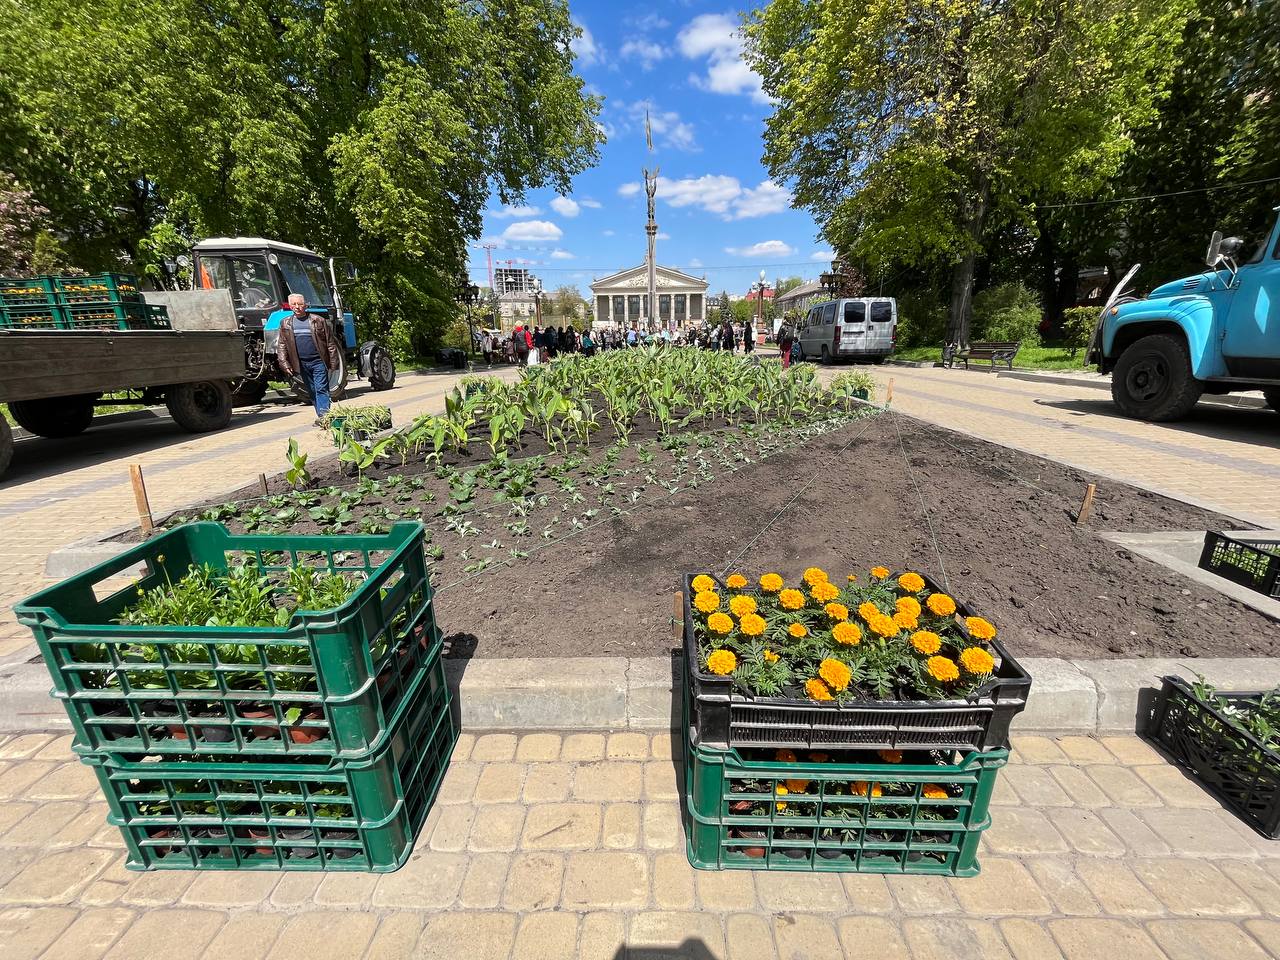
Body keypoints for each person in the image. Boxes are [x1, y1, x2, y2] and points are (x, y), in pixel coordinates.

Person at [276, 293, 339, 423]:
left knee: (321, 388)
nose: (297, 307)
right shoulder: (285, 323)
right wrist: (285, 364)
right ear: (290, 306)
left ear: (305, 305)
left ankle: (324, 417)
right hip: (301, 363)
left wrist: (334, 364)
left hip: (318, 362)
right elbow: (282, 345)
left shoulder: (318, 321)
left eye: (300, 304)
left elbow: (330, 343)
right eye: (294, 304)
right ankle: (322, 415)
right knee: (312, 390)